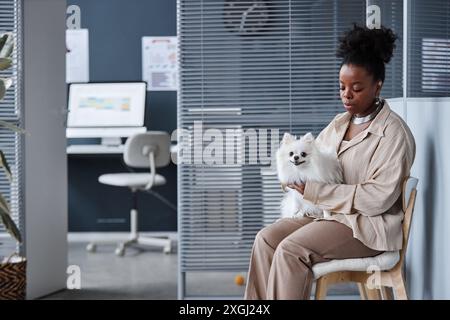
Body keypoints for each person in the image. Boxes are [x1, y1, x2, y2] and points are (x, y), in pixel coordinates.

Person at [244, 24, 416, 300]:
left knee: (291, 250)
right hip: (326, 216)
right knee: (266, 240)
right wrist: (291, 177)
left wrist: (315, 191)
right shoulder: (339, 124)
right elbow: (312, 162)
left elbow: (377, 199)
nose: (346, 95)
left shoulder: (393, 134)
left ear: (377, 86)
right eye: (342, 87)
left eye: (356, 88)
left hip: (365, 227)